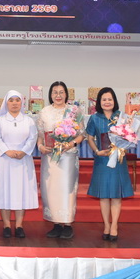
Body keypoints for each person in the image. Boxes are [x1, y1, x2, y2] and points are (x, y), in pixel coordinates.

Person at [86, 87, 137, 242]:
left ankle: (114, 225)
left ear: (114, 101)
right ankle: (106, 225)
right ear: (99, 102)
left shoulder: (122, 117)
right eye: (104, 99)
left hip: (118, 159)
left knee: (116, 194)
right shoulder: (94, 118)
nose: (107, 102)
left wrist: (124, 146)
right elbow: (90, 138)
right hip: (102, 160)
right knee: (103, 195)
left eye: (110, 99)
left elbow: (130, 135)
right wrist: (97, 151)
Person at [36, 81, 85, 239]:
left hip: (68, 156)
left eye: (61, 92)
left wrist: (70, 144)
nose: (58, 95)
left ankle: (68, 224)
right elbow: (40, 135)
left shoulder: (74, 111)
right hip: (50, 157)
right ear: (50, 95)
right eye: (55, 92)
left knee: (67, 189)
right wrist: (40, 146)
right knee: (51, 189)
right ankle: (56, 224)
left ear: (66, 94)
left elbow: (82, 134)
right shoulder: (44, 112)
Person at [0, 90, 38, 238]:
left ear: (21, 103)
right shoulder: (0, 120)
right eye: (11, 100)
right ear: (6, 103)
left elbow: (33, 138)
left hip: (23, 159)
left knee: (21, 190)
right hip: (4, 159)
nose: (15, 103)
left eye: (17, 100)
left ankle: (19, 225)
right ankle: (6, 225)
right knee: (5, 190)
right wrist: (7, 151)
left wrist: (23, 151)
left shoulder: (28, 121)